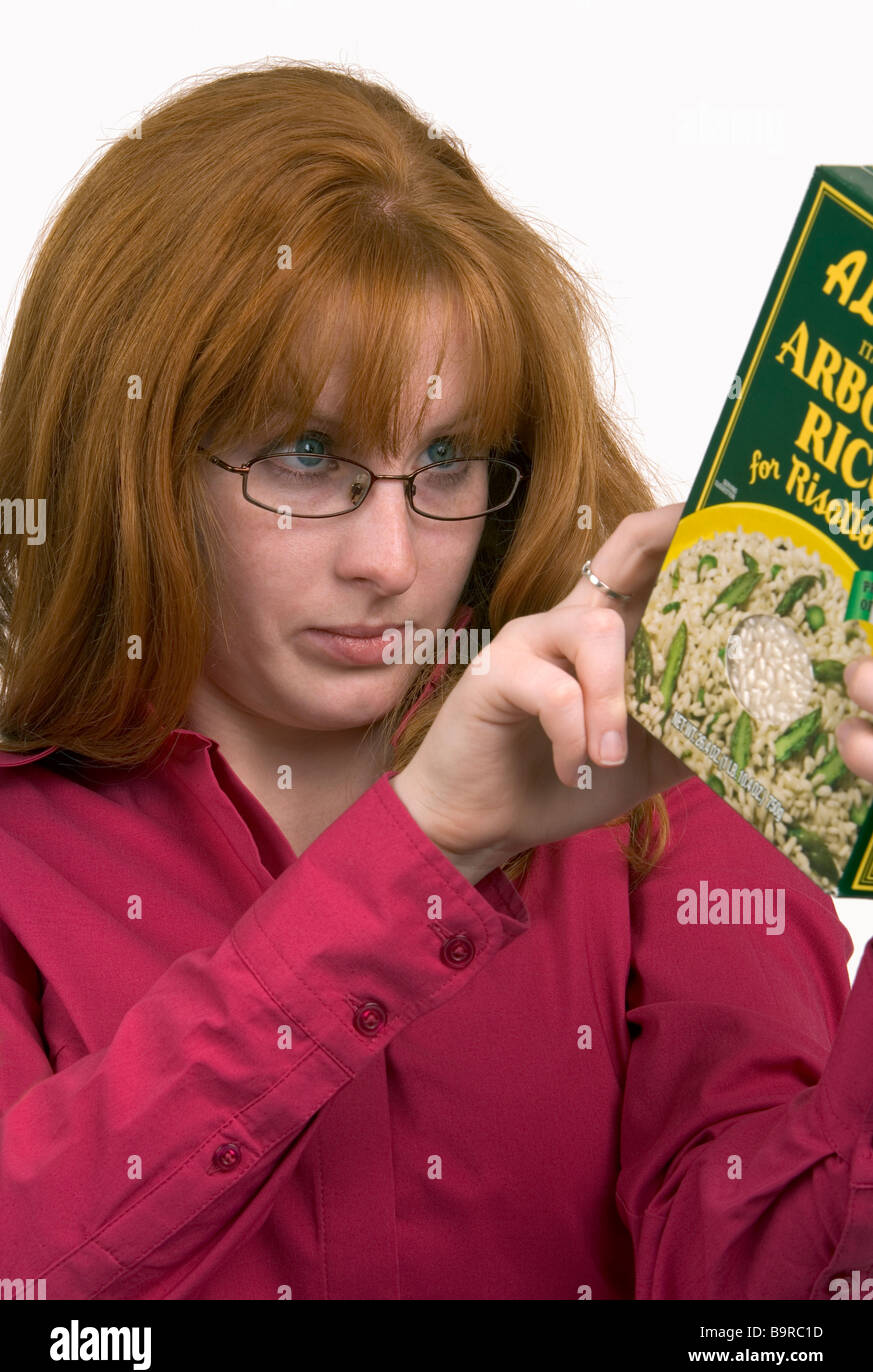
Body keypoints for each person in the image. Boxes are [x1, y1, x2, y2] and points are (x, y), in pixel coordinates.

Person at [0, 58, 871, 1303]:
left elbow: (763, 1306)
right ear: (130, 462)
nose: (392, 560)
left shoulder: (664, 785)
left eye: (449, 459)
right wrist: (425, 848)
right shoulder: (20, 856)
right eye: (309, 454)